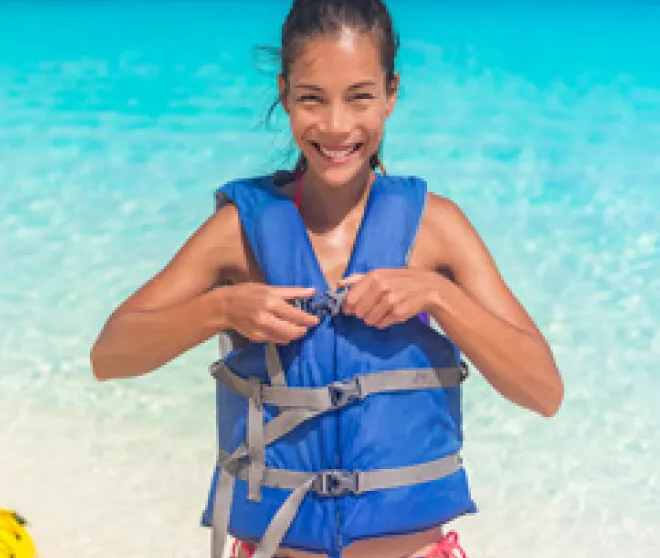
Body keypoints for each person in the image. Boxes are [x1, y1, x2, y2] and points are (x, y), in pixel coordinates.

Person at [89, 0, 564, 556]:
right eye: (313, 98)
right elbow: (110, 356)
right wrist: (220, 310)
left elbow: (543, 391)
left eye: (360, 97)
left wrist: (440, 295)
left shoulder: (437, 228)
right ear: (285, 93)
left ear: (391, 93)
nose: (337, 127)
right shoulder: (238, 229)